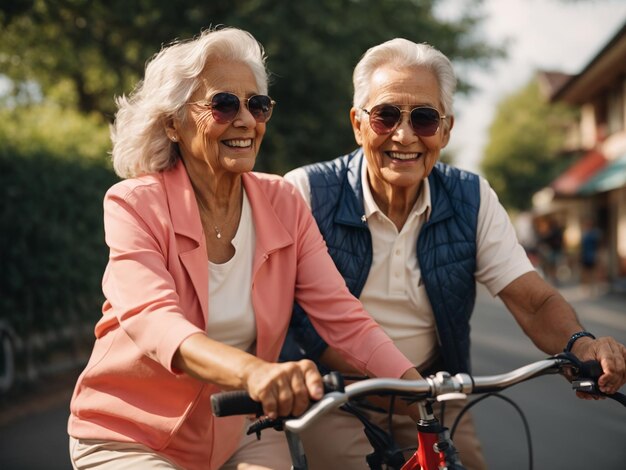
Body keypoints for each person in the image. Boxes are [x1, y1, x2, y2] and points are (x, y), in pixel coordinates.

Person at [67, 28, 422, 470]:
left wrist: (418, 390)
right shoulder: (133, 204)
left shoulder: (283, 202)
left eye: (257, 105)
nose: (246, 120)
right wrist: (255, 372)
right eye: (223, 104)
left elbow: (342, 316)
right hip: (131, 435)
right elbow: (157, 323)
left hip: (239, 433)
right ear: (172, 123)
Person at [277, 38, 626, 469]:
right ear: (358, 123)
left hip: (428, 392)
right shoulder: (305, 192)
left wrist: (582, 344)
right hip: (329, 393)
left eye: (423, 119)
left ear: (445, 130)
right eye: (386, 115)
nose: (404, 135)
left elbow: (533, 302)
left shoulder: (471, 196)